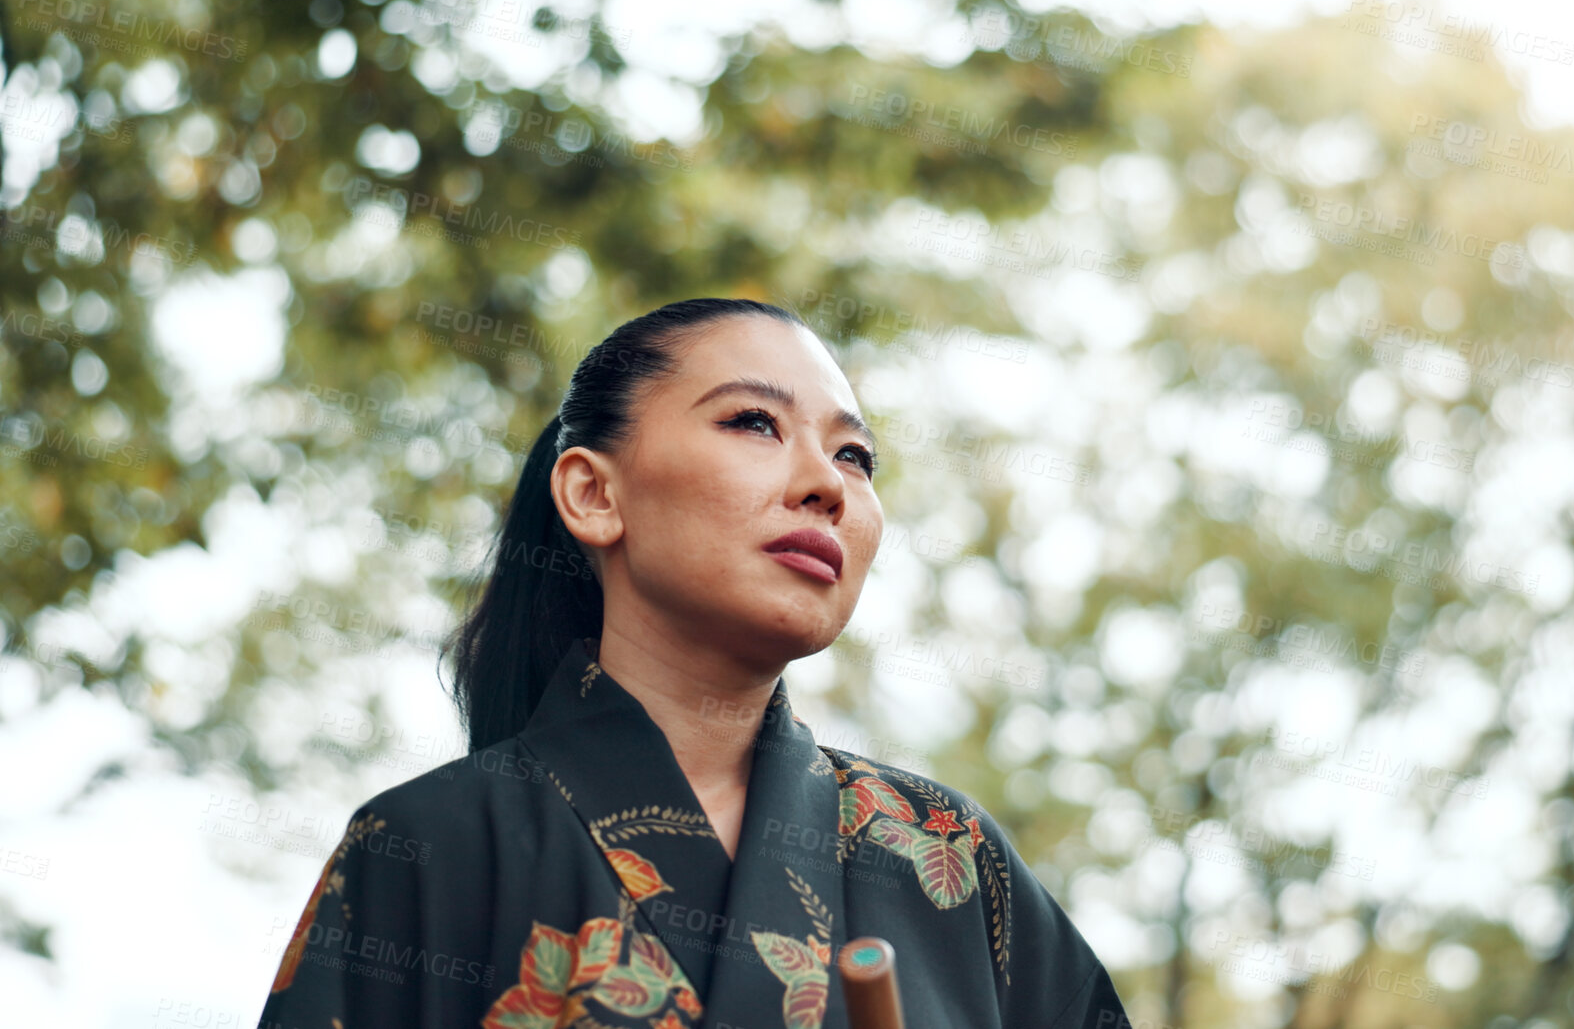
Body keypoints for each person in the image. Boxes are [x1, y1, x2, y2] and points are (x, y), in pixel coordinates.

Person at [257, 298, 1131, 1029]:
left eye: (854, 456)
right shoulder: (427, 847)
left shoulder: (946, 857)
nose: (826, 483)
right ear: (594, 494)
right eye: (754, 421)